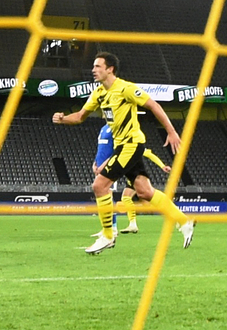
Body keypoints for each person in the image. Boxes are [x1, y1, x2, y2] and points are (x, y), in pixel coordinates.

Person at [53, 52, 194, 254]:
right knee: (145, 191)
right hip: (123, 147)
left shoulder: (126, 88)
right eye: (93, 66)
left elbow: (153, 105)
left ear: (110, 69)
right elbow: (80, 116)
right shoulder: (98, 93)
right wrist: (63, 118)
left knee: (99, 185)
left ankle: (108, 235)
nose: (93, 70)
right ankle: (183, 220)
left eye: (98, 66)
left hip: (131, 144)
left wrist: (171, 132)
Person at [91, 123, 172, 237]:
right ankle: (128, 225)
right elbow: (101, 149)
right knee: (127, 197)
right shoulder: (104, 129)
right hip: (128, 173)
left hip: (134, 172)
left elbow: (148, 154)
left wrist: (162, 166)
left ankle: (114, 228)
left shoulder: (129, 138)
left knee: (143, 194)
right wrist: (96, 162)